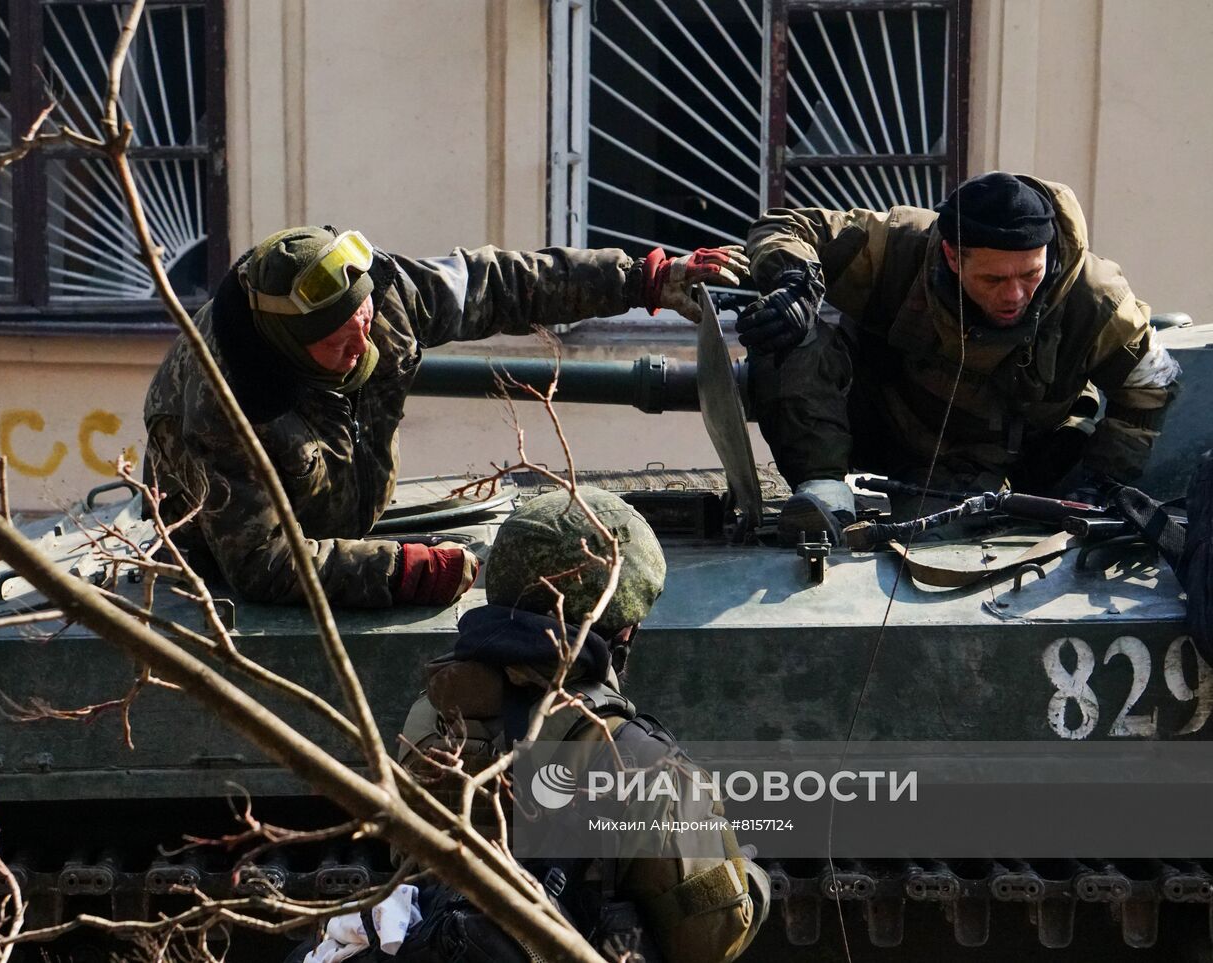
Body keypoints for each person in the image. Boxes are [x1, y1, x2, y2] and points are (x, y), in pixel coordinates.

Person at [144, 229, 748, 607]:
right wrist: (402, 572)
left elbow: (502, 283)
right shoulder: (219, 413)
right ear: (288, 347)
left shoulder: (383, 299)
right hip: (220, 572)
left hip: (345, 519)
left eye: (364, 322)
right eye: (338, 343)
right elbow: (264, 564)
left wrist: (642, 280)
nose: (363, 346)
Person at [396, 486, 769, 962]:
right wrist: (750, 881)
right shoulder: (639, 763)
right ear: (626, 628)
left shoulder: (431, 713)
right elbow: (710, 938)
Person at [733, 172, 1182, 544]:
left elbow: (1152, 383)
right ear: (950, 254)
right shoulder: (899, 246)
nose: (1014, 295)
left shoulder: (1096, 298)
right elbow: (783, 226)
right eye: (992, 278)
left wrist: (1102, 482)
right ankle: (824, 491)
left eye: (1030, 274)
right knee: (785, 327)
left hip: (975, 464)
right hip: (871, 419)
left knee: (932, 546)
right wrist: (794, 282)